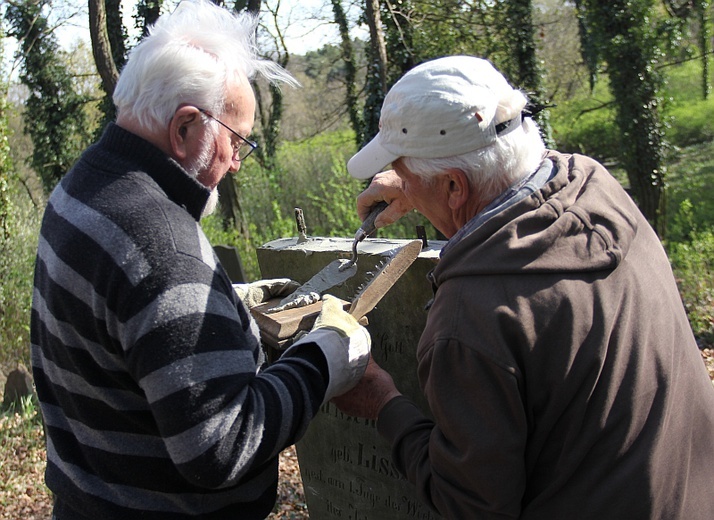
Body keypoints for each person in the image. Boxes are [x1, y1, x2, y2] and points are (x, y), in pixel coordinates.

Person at [333, 55, 714, 519]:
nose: (404, 187)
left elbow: (472, 508)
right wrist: (419, 181)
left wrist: (385, 404)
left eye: (407, 175)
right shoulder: (597, 189)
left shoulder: (468, 319)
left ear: (454, 187)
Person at [30, 1, 370, 518]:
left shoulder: (84, 187)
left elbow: (116, 317)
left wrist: (221, 305)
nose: (236, 164)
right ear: (186, 127)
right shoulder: (163, 244)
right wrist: (323, 361)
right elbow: (221, 446)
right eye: (236, 142)